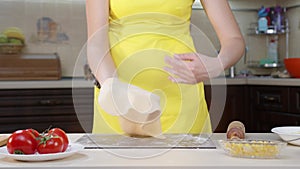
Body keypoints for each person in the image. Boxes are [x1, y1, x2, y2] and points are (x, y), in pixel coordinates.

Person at [85, 0, 245, 135]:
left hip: (181, 101)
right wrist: (114, 87)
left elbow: (234, 40)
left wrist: (218, 64)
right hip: (121, 100)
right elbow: (96, 44)